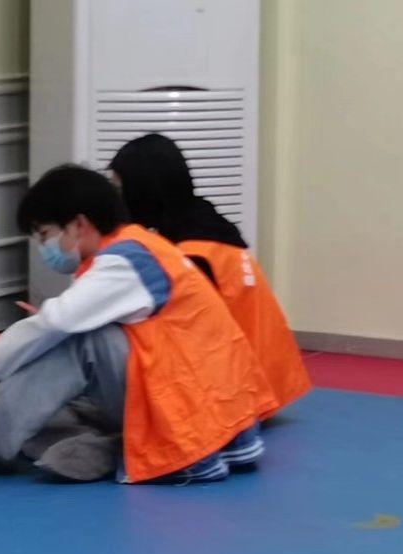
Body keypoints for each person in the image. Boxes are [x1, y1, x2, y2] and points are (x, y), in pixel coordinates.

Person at [0, 165, 277, 483]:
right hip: (211, 410)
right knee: (59, 356)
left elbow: (58, 321)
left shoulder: (125, 262)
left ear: (79, 224)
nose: (45, 247)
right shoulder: (140, 249)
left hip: (193, 418)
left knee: (78, 341)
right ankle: (106, 447)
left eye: (46, 234)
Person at [109, 133, 312, 417]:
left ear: (142, 189)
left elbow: (187, 337)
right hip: (270, 385)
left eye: (120, 189)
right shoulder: (208, 226)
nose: (117, 201)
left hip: (240, 395)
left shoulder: (193, 253)